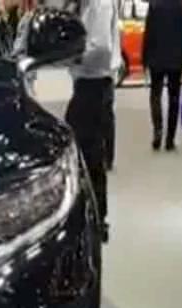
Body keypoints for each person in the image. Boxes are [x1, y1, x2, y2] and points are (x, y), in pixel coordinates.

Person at [65, 0, 121, 237]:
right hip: (89, 84)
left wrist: (71, 56)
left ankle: (96, 219)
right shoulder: (86, 5)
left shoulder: (99, 4)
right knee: (88, 154)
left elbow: (101, 51)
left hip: (94, 84)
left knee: (88, 155)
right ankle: (94, 217)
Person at [142, 0, 182, 151]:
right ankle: (170, 139)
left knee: (155, 95)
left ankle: (157, 130)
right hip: (177, 60)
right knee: (174, 98)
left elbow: (148, 32)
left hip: (156, 58)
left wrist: (144, 59)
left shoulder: (155, 5)